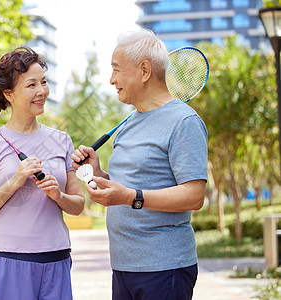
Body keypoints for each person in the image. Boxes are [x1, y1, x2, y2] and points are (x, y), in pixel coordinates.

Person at [71, 28, 208, 300]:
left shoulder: (184, 122)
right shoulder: (128, 123)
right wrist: (98, 173)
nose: (111, 80)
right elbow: (130, 186)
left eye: (116, 70)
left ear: (144, 71)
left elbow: (194, 195)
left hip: (164, 267)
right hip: (124, 266)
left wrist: (129, 197)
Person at [0, 46, 85, 300]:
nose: (41, 91)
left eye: (43, 82)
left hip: (56, 258)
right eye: (31, 85)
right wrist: (15, 180)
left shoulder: (62, 140)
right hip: (8, 259)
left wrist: (59, 196)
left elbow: (78, 205)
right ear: (8, 93)